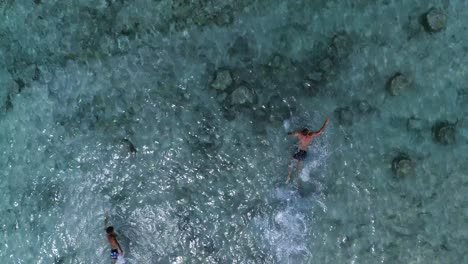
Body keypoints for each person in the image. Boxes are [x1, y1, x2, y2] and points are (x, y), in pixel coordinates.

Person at [286, 118, 330, 183]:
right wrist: (325, 124)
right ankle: (297, 180)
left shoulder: (299, 134)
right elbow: (321, 132)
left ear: (302, 131)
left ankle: (288, 177)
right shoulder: (311, 135)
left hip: (298, 151)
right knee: (299, 167)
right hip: (304, 153)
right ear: (308, 132)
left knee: (292, 164)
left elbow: (291, 134)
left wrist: (288, 133)